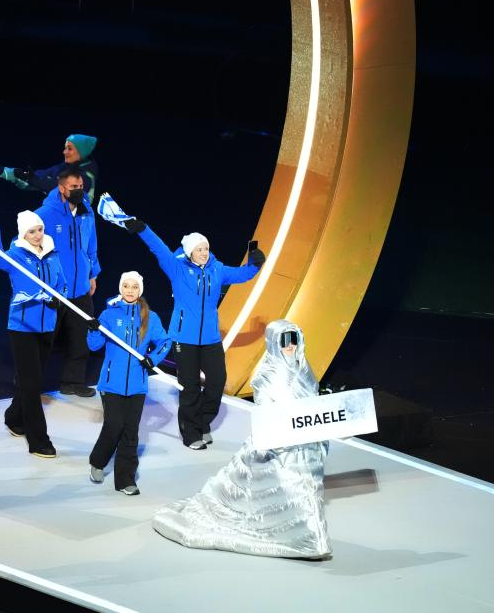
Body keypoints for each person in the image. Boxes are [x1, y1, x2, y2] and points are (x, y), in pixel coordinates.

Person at [152, 320, 331, 559]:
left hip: (305, 443)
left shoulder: (304, 369)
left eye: (294, 340)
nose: (290, 346)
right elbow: (266, 411)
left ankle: (311, 540)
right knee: (295, 489)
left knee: (307, 489)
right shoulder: (267, 374)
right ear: (274, 343)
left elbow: (313, 401)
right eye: (284, 341)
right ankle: (308, 541)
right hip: (278, 443)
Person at [123, 217, 265, 449]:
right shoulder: (177, 268)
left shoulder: (217, 269)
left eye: (206, 248)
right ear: (190, 252)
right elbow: (158, 248)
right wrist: (143, 229)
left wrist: (255, 264)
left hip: (211, 339)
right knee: (189, 387)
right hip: (183, 338)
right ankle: (190, 433)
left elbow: (242, 275)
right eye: (199, 249)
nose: (204, 253)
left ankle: (202, 421)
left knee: (217, 382)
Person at [0, 208, 68, 458]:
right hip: (22, 328)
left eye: (39, 230)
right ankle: (38, 440)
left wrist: (58, 300)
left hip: (47, 326)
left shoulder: (52, 253)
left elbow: (61, 284)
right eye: (31, 232)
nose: (37, 235)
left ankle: (13, 417)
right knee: (31, 384)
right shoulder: (16, 255)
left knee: (32, 378)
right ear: (22, 234)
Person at [86, 271, 172, 495]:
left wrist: (153, 359)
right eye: (126, 286)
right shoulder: (109, 314)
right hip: (110, 382)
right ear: (120, 288)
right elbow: (93, 345)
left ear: (140, 290)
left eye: (134, 287)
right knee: (114, 425)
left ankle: (125, 479)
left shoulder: (150, 317)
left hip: (137, 384)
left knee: (131, 432)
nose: (130, 290)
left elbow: (165, 342)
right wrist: (93, 330)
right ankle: (97, 461)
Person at [35, 167, 101, 398]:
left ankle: (72, 382)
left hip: (81, 287)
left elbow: (91, 245)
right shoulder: (45, 214)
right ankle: (30, 383)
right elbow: (26, 243)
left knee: (80, 338)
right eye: (74, 187)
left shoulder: (86, 212)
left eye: (81, 186)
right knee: (45, 339)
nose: (79, 191)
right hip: (54, 289)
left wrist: (93, 274)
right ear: (62, 188)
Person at [0, 133, 100, 203]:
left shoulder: (87, 176)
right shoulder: (65, 167)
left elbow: (59, 187)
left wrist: (32, 179)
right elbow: (40, 176)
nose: (64, 152)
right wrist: (5, 172)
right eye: (65, 148)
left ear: (81, 152)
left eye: (70, 149)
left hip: (76, 228)